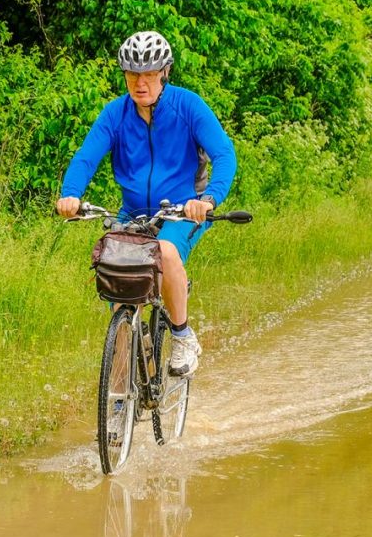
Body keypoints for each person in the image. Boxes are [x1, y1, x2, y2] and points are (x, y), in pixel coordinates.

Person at [56, 31, 237, 377]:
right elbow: (85, 157)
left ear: (164, 72)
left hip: (182, 211)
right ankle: (121, 398)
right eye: (132, 74)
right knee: (121, 295)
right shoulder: (115, 114)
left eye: (149, 74)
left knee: (166, 251)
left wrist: (208, 200)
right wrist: (71, 194)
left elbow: (224, 155)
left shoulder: (188, 106)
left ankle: (183, 336)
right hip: (133, 214)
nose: (141, 83)